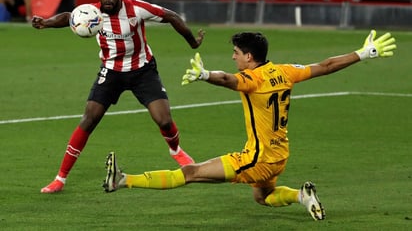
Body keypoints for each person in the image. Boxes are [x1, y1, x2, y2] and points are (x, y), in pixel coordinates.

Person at [102, 30, 396, 221]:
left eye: (236, 53)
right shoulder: (285, 71)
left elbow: (229, 80)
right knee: (262, 196)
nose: (233, 57)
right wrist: (362, 53)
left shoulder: (252, 80)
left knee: (191, 173)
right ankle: (300, 196)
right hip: (279, 156)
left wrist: (205, 75)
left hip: (256, 159)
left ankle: (123, 180)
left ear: (249, 57)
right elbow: (326, 66)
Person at [32, 0, 205, 193]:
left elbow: (170, 16)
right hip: (111, 72)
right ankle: (60, 178)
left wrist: (192, 43)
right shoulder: (92, 12)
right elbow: (68, 17)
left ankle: (176, 150)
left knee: (163, 119)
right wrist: (45, 23)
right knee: (88, 119)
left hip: (142, 70)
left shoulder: (136, 9)